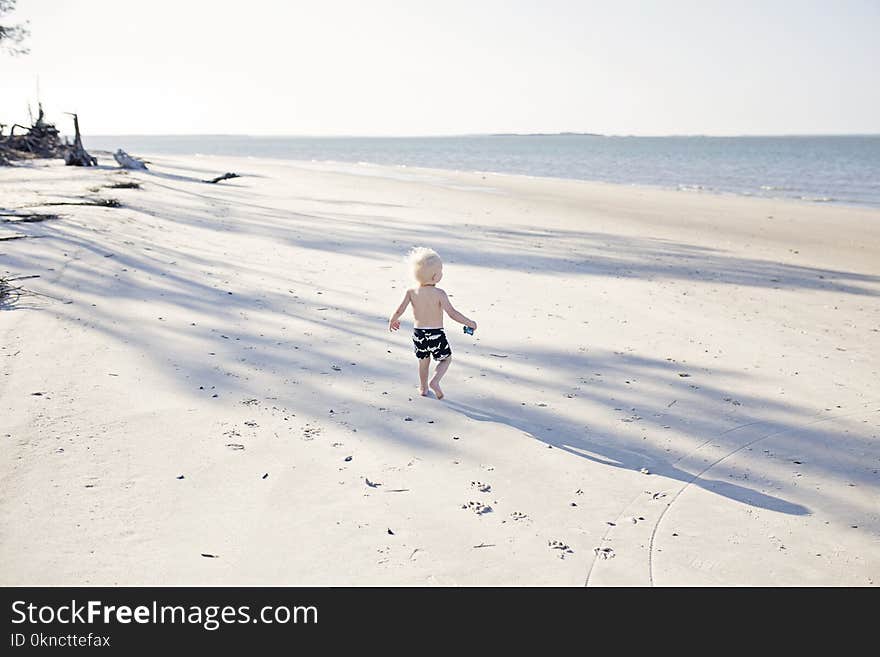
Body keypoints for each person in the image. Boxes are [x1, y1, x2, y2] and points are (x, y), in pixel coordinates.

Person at [388, 247, 477, 399]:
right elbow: (453, 314)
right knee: (446, 359)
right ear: (436, 276)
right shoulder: (439, 294)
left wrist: (393, 320)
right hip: (436, 333)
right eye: (441, 271)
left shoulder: (411, 292)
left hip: (419, 334)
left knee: (423, 361)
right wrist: (470, 323)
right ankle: (435, 381)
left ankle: (423, 388)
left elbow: (399, 310)